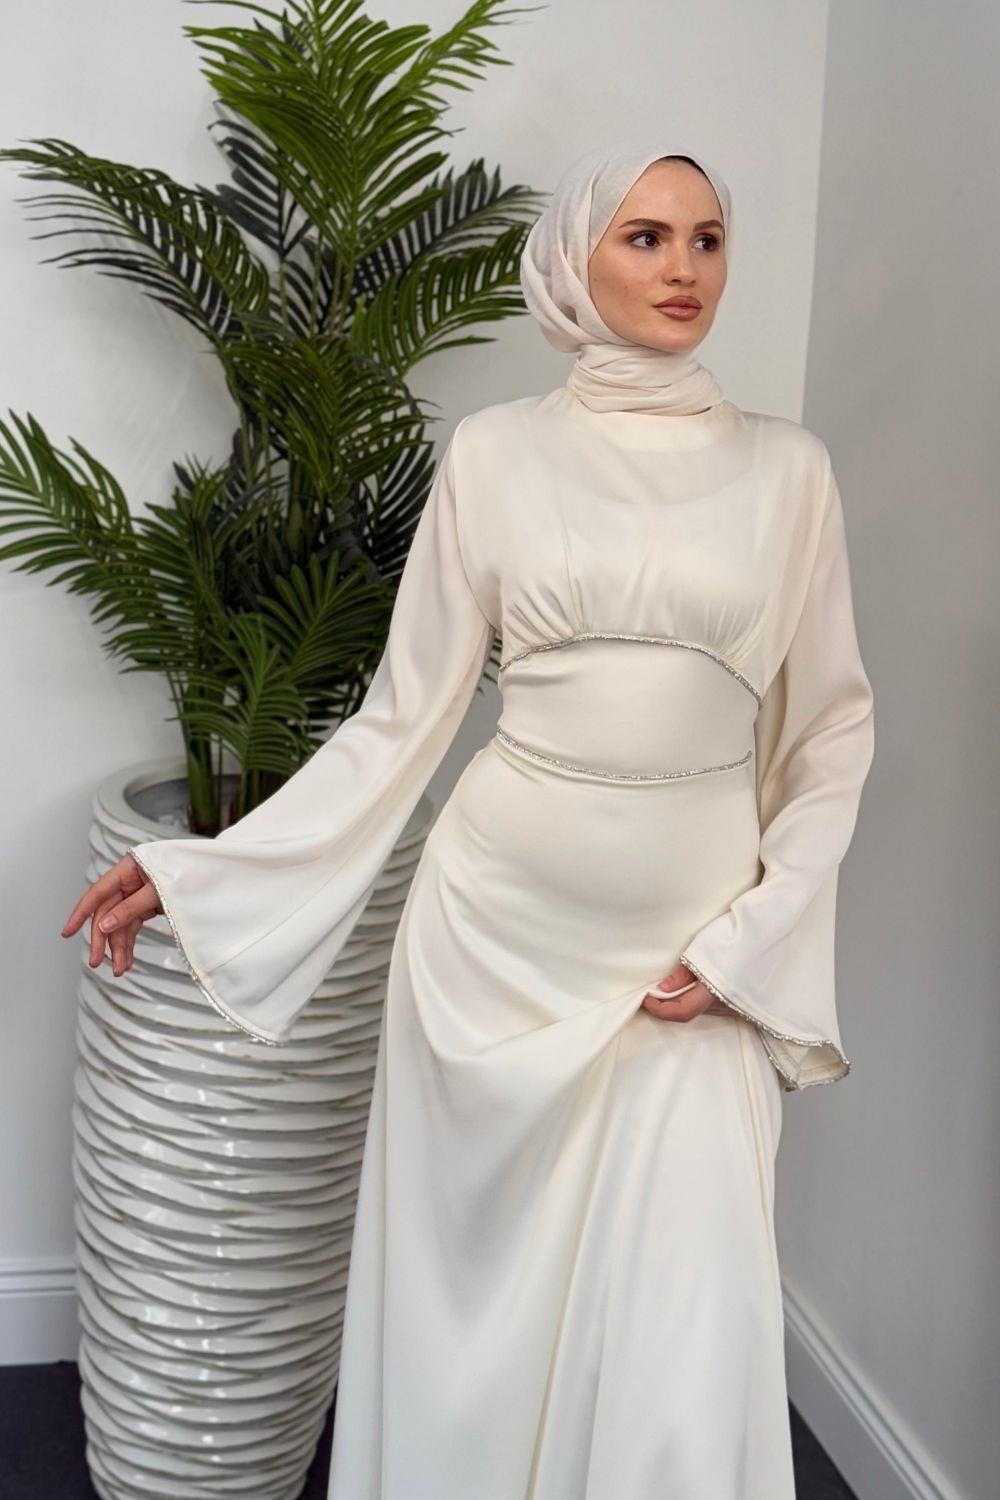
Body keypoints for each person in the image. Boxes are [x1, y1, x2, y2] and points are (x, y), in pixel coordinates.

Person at [62, 140, 876, 1498]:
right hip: (493, 948)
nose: (683, 267)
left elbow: (831, 729)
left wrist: (757, 942)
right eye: (646, 237)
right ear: (575, 259)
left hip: (692, 961)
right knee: (473, 1328)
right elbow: (404, 717)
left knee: (684, 1331)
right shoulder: (496, 454)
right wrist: (206, 870)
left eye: (707, 239)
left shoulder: (791, 472)